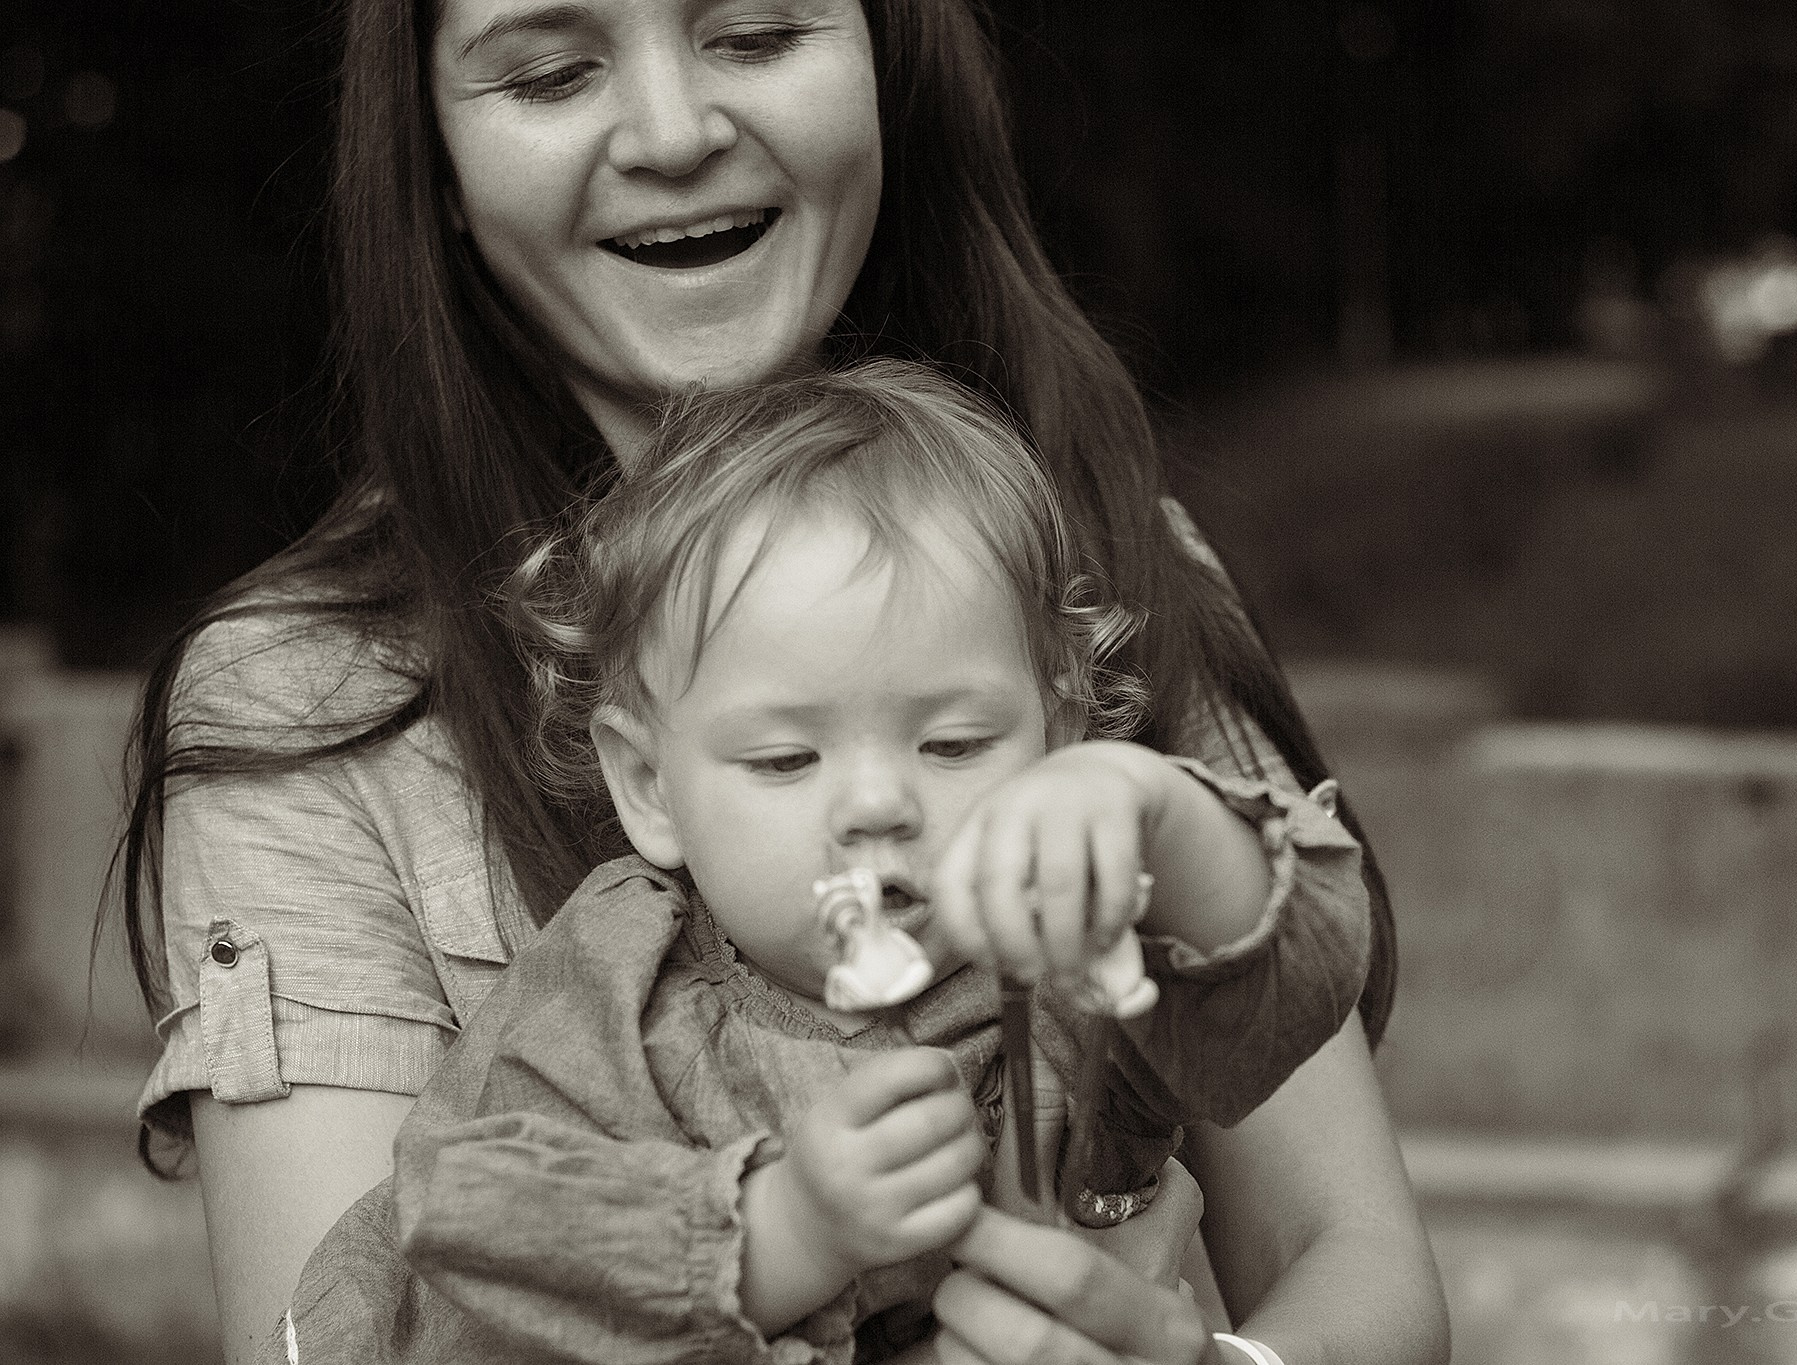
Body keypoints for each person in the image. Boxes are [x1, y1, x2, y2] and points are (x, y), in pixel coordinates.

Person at [115, 2, 1449, 1363]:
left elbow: (1325, 1164)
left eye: (753, 32)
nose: (676, 133)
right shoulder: (564, 955)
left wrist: (1166, 818)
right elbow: (416, 1262)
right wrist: (769, 1237)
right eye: (552, 71)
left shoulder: (1102, 559)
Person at [285, 360, 1382, 1363]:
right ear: (649, 787)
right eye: (784, 757)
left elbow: (1287, 989)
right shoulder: (618, 985)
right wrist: (784, 1229)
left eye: (952, 744)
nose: (875, 806)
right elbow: (469, 1204)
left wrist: (1161, 816)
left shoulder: (1072, 970)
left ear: (1058, 726)